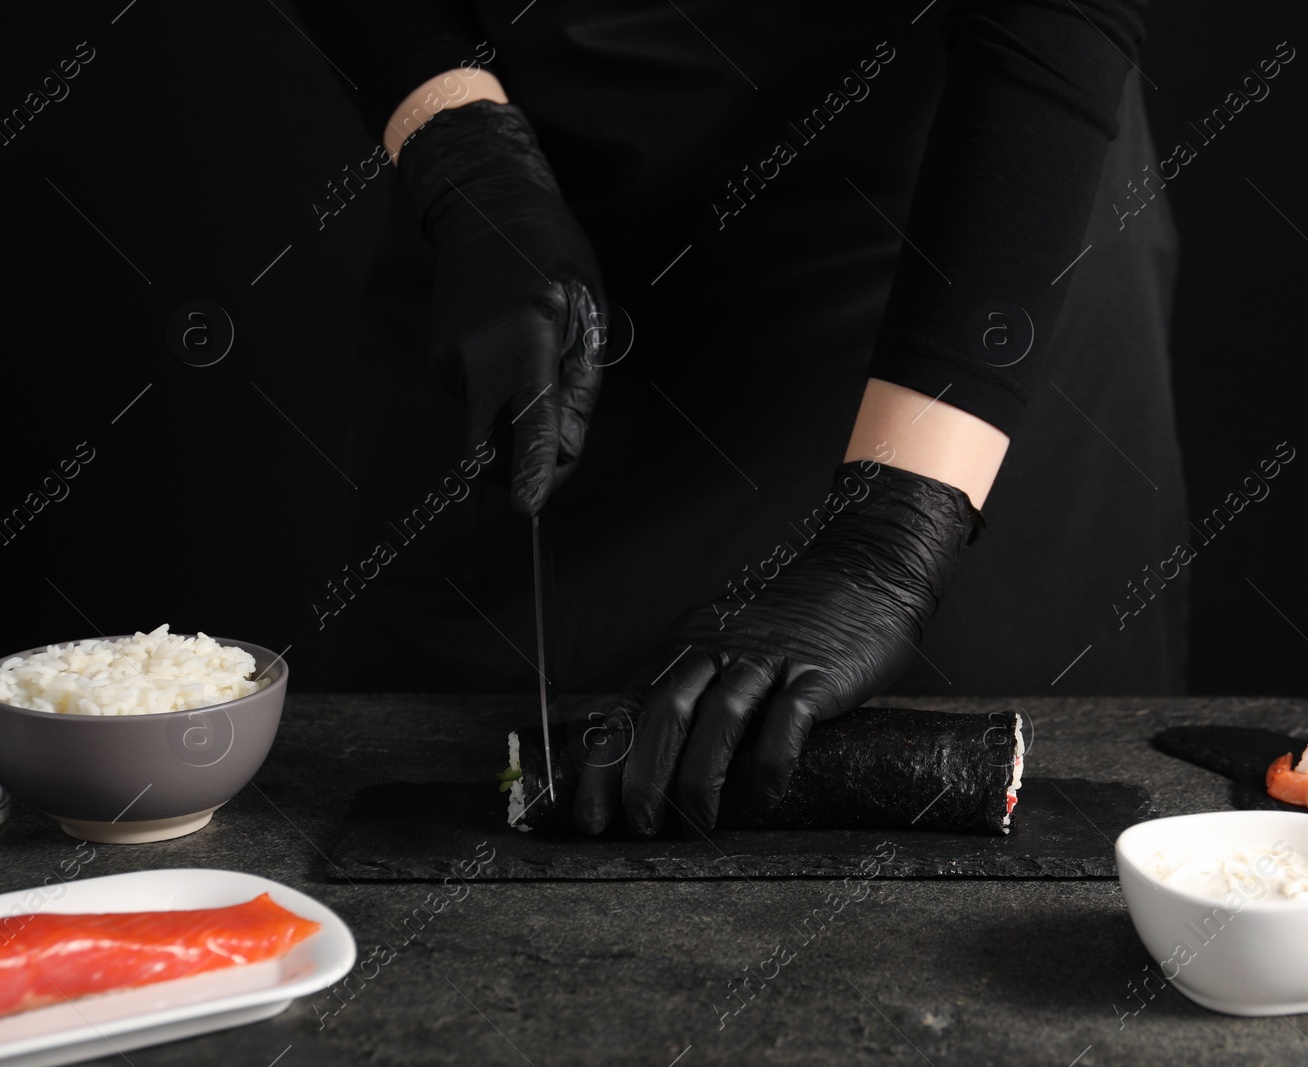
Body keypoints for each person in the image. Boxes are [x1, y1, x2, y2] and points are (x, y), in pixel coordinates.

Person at [294, 0, 1186, 836]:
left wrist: (896, 533)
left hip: (955, 265)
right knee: (422, 804)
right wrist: (460, 146)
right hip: (512, 236)